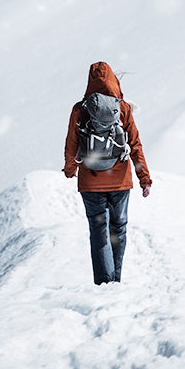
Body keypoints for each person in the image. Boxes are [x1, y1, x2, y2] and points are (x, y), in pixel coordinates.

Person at [63, 61, 152, 285]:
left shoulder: (80, 109)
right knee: (118, 229)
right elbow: (135, 144)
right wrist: (144, 179)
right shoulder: (122, 108)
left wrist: (70, 169)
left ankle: (104, 283)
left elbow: (71, 143)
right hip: (120, 181)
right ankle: (116, 281)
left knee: (98, 230)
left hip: (90, 181)